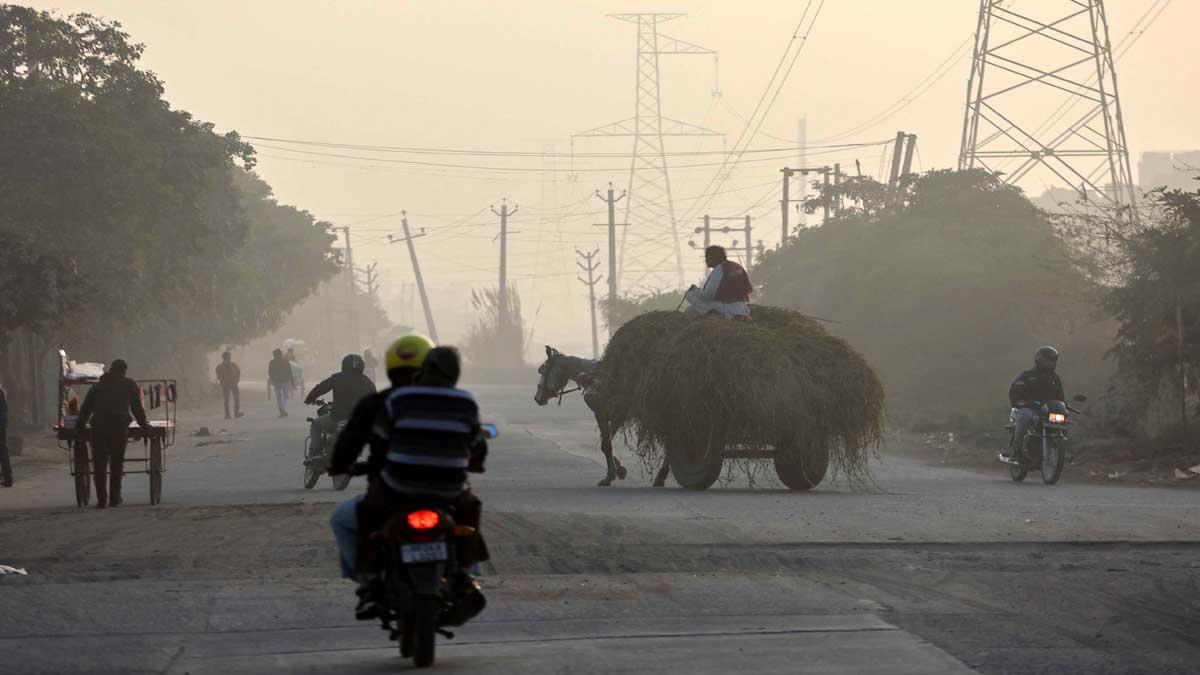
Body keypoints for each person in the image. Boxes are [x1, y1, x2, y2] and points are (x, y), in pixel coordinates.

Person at [353, 346, 489, 620]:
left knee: (366, 512)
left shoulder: (401, 399)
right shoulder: (465, 403)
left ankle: (370, 580)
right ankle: (463, 574)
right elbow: (478, 447)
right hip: (449, 490)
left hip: (398, 486)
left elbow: (380, 440)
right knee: (470, 510)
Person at [327, 335, 434, 585]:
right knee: (465, 522)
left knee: (341, 520)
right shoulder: (449, 402)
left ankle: (367, 578)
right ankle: (470, 576)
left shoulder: (376, 404)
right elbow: (476, 447)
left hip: (392, 493)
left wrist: (340, 466)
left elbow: (347, 447)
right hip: (444, 494)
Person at [76, 359, 150, 508]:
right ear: (124, 371)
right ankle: (115, 498)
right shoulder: (129, 384)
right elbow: (137, 409)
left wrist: (79, 427)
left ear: (111, 370)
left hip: (99, 427)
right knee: (117, 462)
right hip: (119, 426)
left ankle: (101, 499)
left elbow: (86, 409)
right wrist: (144, 426)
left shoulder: (97, 386)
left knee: (99, 463)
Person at [303, 354, 376, 459]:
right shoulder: (368, 382)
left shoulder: (338, 378)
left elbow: (320, 388)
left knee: (315, 424)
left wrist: (309, 399)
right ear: (362, 367)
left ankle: (315, 452)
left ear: (344, 365)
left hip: (338, 417)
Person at [1001, 346, 1066, 463]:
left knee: (1063, 421)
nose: (1050, 363)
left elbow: (1060, 396)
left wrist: (1065, 405)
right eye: (1047, 360)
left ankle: (1059, 451)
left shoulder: (1055, 378)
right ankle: (1016, 450)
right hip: (1030, 408)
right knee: (1024, 416)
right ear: (1039, 360)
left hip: (1048, 411)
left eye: (1052, 361)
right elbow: (1015, 390)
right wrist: (1020, 402)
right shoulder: (1027, 375)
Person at [683, 245, 753, 320]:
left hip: (726, 307)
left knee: (690, 295)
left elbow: (708, 295)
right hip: (741, 307)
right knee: (690, 310)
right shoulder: (736, 266)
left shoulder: (719, 269)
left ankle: (713, 314)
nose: (706, 260)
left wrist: (695, 290)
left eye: (707, 257)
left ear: (713, 257)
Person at [215, 351, 243, 419]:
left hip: (233, 383)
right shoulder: (220, 367)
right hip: (226, 384)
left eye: (229, 357)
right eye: (228, 357)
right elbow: (218, 376)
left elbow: (238, 372)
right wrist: (222, 380)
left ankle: (236, 413)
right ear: (224, 358)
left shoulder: (233, 365)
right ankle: (227, 414)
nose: (229, 358)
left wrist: (237, 379)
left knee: (236, 398)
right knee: (227, 400)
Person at [267, 348, 294, 418]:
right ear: (281, 354)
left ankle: (282, 410)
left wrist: (273, 378)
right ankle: (283, 409)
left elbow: (270, 372)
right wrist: (292, 382)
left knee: (278, 397)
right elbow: (290, 372)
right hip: (285, 381)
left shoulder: (272, 362)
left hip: (277, 382)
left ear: (274, 355)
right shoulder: (286, 362)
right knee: (285, 396)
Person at [0, 384, 12, 487]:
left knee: (2, 449)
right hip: (2, 423)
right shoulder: (2, 391)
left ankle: (8, 477)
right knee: (2, 448)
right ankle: (7, 476)